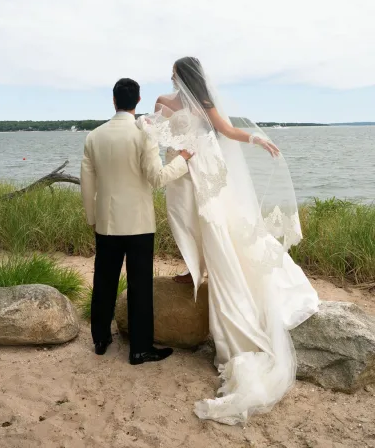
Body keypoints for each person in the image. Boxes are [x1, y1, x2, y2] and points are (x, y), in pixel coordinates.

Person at [137, 57, 319, 424]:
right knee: (184, 223)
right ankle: (193, 271)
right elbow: (154, 135)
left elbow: (227, 130)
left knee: (213, 226)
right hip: (181, 172)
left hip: (204, 172)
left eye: (173, 71)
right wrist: (145, 129)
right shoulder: (162, 101)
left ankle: (205, 274)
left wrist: (256, 138)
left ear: (182, 75)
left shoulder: (205, 105)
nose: (169, 76)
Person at [81, 78, 192, 365]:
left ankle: (101, 339)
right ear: (138, 101)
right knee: (140, 286)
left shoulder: (94, 136)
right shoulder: (145, 133)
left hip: (106, 222)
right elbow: (157, 179)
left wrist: (92, 218)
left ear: (114, 101)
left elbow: (87, 183)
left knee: (104, 280)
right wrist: (182, 160)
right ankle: (140, 349)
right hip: (140, 224)